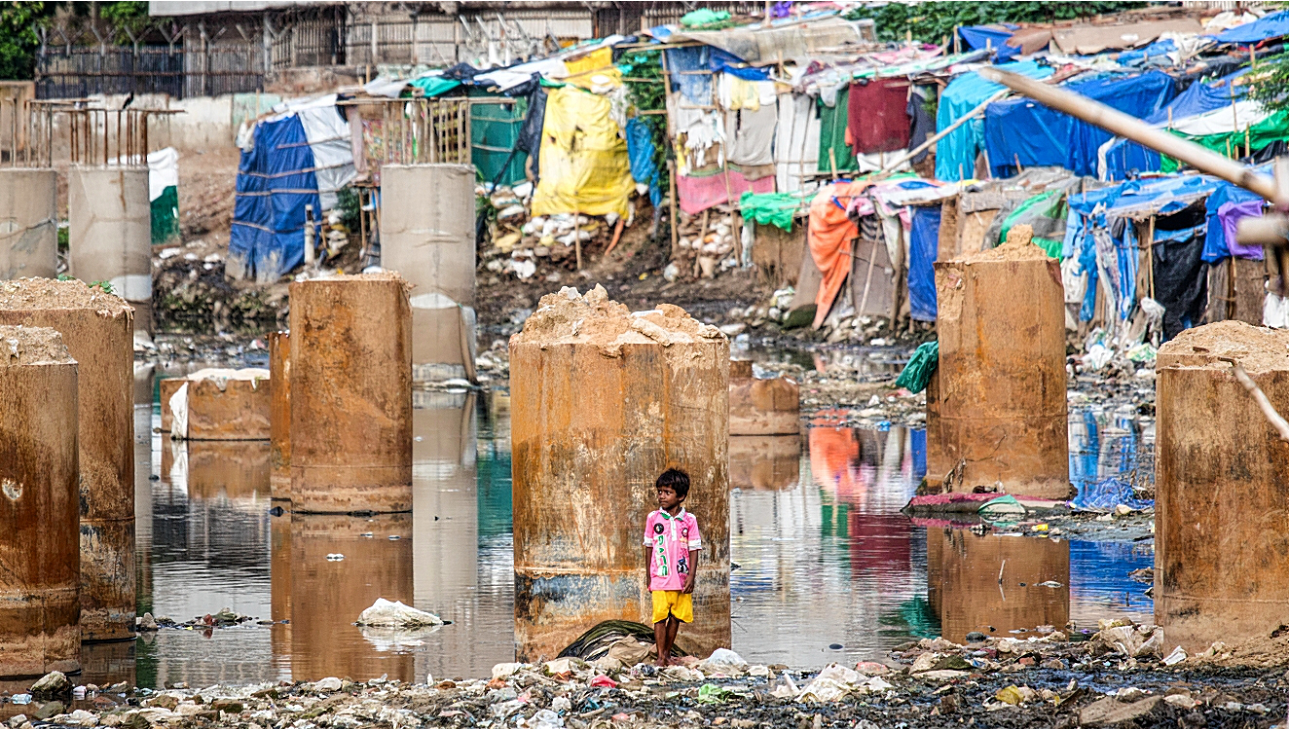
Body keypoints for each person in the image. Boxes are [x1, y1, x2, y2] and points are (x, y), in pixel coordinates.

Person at [643, 468, 702, 667]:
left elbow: (694, 549)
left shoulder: (689, 520)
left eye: (667, 492)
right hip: (660, 576)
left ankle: (667, 653)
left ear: (681, 496)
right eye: (660, 492)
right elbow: (649, 547)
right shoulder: (653, 518)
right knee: (659, 617)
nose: (662, 496)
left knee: (675, 617)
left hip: (681, 578)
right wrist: (649, 576)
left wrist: (691, 577)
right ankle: (660, 656)